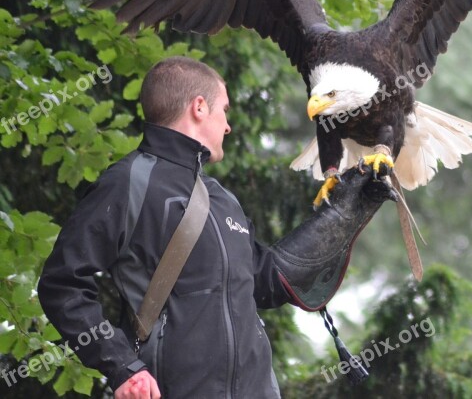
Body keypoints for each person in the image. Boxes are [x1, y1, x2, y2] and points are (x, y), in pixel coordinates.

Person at [37, 56, 393, 398]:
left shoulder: (223, 200)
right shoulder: (128, 182)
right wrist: (121, 366)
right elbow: (62, 284)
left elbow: (268, 281)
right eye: (223, 110)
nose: (227, 125)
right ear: (199, 107)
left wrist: (347, 212)